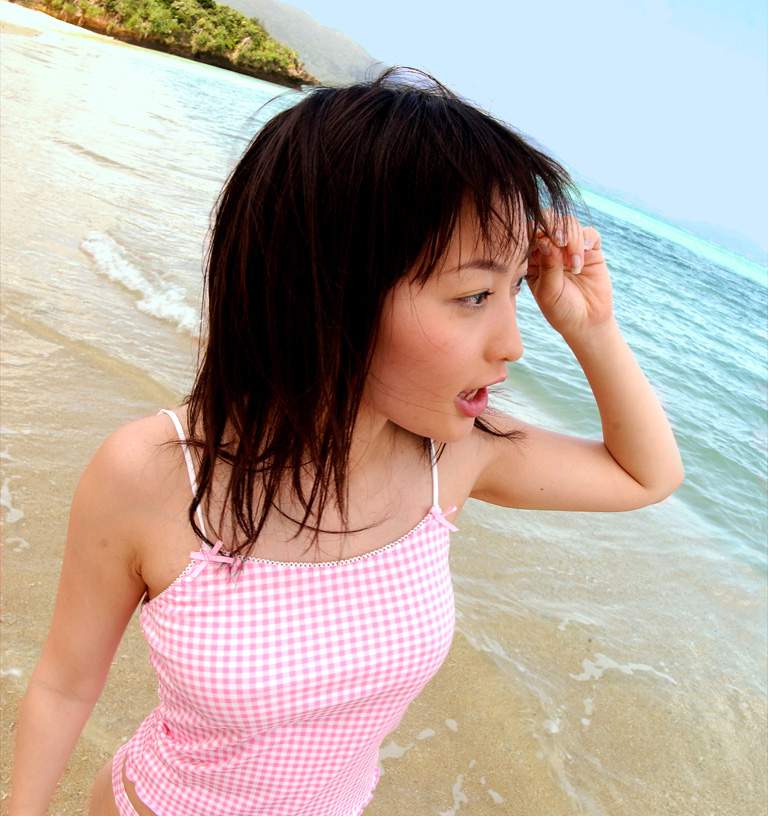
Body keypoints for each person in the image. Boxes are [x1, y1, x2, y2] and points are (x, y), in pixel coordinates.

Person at [8, 66, 685, 816]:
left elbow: (645, 476)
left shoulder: (452, 458)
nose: (513, 344)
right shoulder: (152, 474)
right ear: (329, 288)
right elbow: (64, 687)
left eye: (514, 291)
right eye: (473, 295)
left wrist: (592, 327)